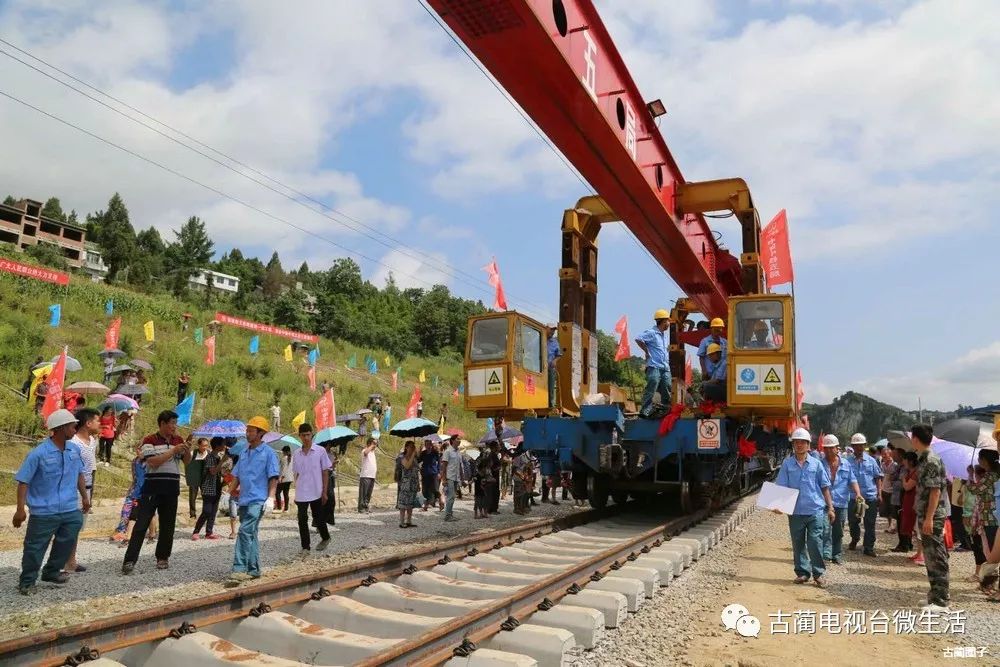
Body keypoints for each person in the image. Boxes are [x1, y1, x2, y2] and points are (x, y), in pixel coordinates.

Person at [14, 410, 90, 594]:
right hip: (44, 511)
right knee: (35, 546)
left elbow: (79, 473)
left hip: (70, 508)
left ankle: (51, 571)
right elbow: (24, 481)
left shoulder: (75, 450)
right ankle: (27, 582)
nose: (75, 428)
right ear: (61, 428)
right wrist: (20, 510)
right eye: (72, 426)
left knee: (69, 537)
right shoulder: (38, 454)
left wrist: (85, 497)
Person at [122, 410, 192, 574]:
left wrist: (186, 449)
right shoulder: (149, 440)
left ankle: (163, 557)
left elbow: (187, 462)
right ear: (162, 423)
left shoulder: (178, 440)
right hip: (152, 488)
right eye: (172, 423)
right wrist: (172, 451)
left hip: (171, 488)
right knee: (141, 524)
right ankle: (130, 560)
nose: (174, 427)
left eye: (176, 423)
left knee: (168, 526)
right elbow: (152, 462)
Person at [774, 427, 834, 588]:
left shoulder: (816, 464)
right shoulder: (787, 464)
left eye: (803, 442)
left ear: (808, 445)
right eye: (796, 442)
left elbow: (825, 487)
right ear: (793, 445)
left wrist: (831, 508)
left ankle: (818, 574)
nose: (799, 445)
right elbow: (781, 486)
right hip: (795, 512)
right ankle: (802, 573)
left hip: (815, 510)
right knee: (798, 543)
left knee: (815, 542)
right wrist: (777, 505)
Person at [226, 416, 280, 586]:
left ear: (261, 433)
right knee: (251, 534)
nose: (247, 433)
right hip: (243, 500)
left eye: (251, 431)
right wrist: (228, 493)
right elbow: (237, 476)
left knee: (244, 531)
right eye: (247, 430)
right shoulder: (243, 453)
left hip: (258, 500)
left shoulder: (268, 453)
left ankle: (239, 569)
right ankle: (254, 569)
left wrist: (271, 498)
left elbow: (273, 477)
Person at [911, 424, 950, 610]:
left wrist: (929, 518)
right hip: (926, 514)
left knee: (936, 556)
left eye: (912, 437)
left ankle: (941, 600)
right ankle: (934, 596)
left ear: (916, 439)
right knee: (929, 556)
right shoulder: (925, 459)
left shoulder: (931, 460)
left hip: (932, 516)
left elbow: (935, 492)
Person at [64, 408, 100, 574]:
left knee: (77, 527)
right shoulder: (74, 443)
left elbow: (91, 468)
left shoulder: (93, 441)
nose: (100, 423)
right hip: (74, 490)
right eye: (97, 420)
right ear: (88, 423)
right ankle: (64, 561)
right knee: (70, 526)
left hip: (87, 488)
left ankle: (71, 560)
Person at [820, 434, 861, 565]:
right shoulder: (820, 464)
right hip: (824, 503)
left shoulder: (846, 464)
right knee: (825, 529)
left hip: (841, 502)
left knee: (838, 531)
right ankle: (826, 555)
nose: (828, 451)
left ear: (837, 448)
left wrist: (858, 494)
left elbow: (853, 480)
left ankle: (836, 554)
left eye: (831, 448)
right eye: (826, 448)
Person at [291, 423, 332, 555]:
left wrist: (325, 491)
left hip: (317, 490)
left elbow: (325, 472)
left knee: (318, 518)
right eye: (303, 435)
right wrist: (295, 491)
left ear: (311, 435)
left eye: (308, 435)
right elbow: (296, 473)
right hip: (302, 492)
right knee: (302, 519)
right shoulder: (296, 454)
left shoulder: (320, 451)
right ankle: (305, 547)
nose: (306, 437)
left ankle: (325, 537)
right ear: (300, 436)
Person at [965, 449, 1000, 598]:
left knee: (992, 554)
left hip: (990, 519)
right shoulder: (994, 475)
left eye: (979, 459)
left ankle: (989, 585)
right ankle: (988, 584)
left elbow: (974, 489)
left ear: (984, 461)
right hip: (992, 517)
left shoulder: (990, 476)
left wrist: (969, 475)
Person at [847, 433, 882, 557]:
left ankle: (868, 547)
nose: (858, 448)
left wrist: (880, 494)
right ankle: (855, 539)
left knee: (870, 523)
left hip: (870, 496)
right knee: (853, 521)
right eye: (856, 446)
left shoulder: (872, 461)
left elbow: (878, 478)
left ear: (864, 446)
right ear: (852, 446)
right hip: (853, 497)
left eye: (861, 445)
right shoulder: (846, 462)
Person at [634, 309, 672, 418]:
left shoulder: (664, 336)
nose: (669, 324)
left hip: (665, 367)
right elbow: (638, 338)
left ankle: (665, 409)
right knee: (653, 384)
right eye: (667, 321)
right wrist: (646, 351)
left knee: (667, 386)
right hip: (654, 366)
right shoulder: (652, 333)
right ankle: (645, 410)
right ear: (662, 321)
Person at [895, 451, 919, 554]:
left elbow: (907, 486)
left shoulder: (915, 472)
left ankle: (909, 546)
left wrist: (904, 479)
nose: (904, 462)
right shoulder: (910, 471)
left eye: (905, 460)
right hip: (907, 499)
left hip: (912, 500)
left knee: (910, 523)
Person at [396, 441, 421, 528]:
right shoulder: (401, 457)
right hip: (405, 483)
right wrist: (413, 454)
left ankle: (409, 521)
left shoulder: (414, 459)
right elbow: (407, 466)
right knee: (403, 503)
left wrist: (418, 484)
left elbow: (416, 471)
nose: (412, 448)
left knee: (411, 503)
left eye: (413, 447)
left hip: (413, 483)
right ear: (406, 447)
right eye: (410, 447)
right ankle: (402, 522)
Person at [185, 439, 209, 519]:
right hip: (194, 477)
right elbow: (187, 463)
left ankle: (205, 513)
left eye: (206, 445)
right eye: (203, 445)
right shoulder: (193, 453)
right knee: (192, 496)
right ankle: (192, 514)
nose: (205, 447)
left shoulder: (209, 454)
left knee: (206, 496)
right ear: (199, 445)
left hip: (205, 478)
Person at [440, 434, 462, 522]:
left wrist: (462, 478)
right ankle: (448, 515)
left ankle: (450, 513)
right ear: (452, 440)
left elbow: (459, 466)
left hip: (456, 477)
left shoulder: (458, 452)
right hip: (450, 477)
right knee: (450, 496)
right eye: (458, 439)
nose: (459, 440)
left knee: (453, 497)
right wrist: (444, 479)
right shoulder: (448, 451)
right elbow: (444, 466)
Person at [418, 439, 442, 511]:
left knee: (435, 489)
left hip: (433, 473)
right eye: (426, 444)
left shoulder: (435, 453)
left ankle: (441, 501)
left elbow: (439, 463)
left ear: (431, 445)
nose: (428, 446)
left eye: (429, 444)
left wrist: (439, 472)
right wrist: (418, 452)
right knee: (425, 490)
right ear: (425, 445)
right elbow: (418, 460)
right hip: (425, 473)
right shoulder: (423, 453)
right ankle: (426, 506)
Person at [511, 444, 534, 515]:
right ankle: (517, 508)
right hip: (518, 478)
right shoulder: (518, 457)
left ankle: (521, 507)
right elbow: (515, 469)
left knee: (522, 494)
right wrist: (521, 476)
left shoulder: (524, 456)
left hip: (523, 477)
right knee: (518, 494)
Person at [881, 445, 899, 534]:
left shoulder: (895, 464)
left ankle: (893, 527)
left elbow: (897, 476)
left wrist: (893, 477)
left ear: (890, 454)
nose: (883, 456)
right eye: (882, 454)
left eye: (885, 454)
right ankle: (889, 526)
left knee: (893, 510)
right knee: (887, 509)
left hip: (893, 490)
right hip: (884, 489)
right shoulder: (882, 464)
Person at [358, 438, 377, 513]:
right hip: (365, 475)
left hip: (372, 475)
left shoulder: (373, 452)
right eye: (373, 444)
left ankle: (366, 506)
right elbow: (365, 453)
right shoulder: (365, 450)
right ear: (369, 443)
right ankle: (361, 508)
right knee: (363, 493)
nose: (375, 445)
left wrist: (373, 446)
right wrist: (371, 446)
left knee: (369, 493)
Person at [547, 325, 561, 410]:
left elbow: (559, 355)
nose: (552, 332)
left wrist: (555, 361)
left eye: (554, 330)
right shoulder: (538, 337)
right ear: (546, 328)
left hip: (550, 368)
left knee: (550, 387)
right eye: (551, 330)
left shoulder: (555, 342)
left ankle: (550, 406)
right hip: (538, 368)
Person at [276, 446, 293, 512]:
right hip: (289, 478)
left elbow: (284, 469)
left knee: (277, 492)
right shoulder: (291, 458)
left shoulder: (284, 458)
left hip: (284, 478)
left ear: (284, 452)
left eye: (283, 451)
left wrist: (280, 477)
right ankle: (286, 508)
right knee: (286, 493)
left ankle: (279, 507)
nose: (282, 452)